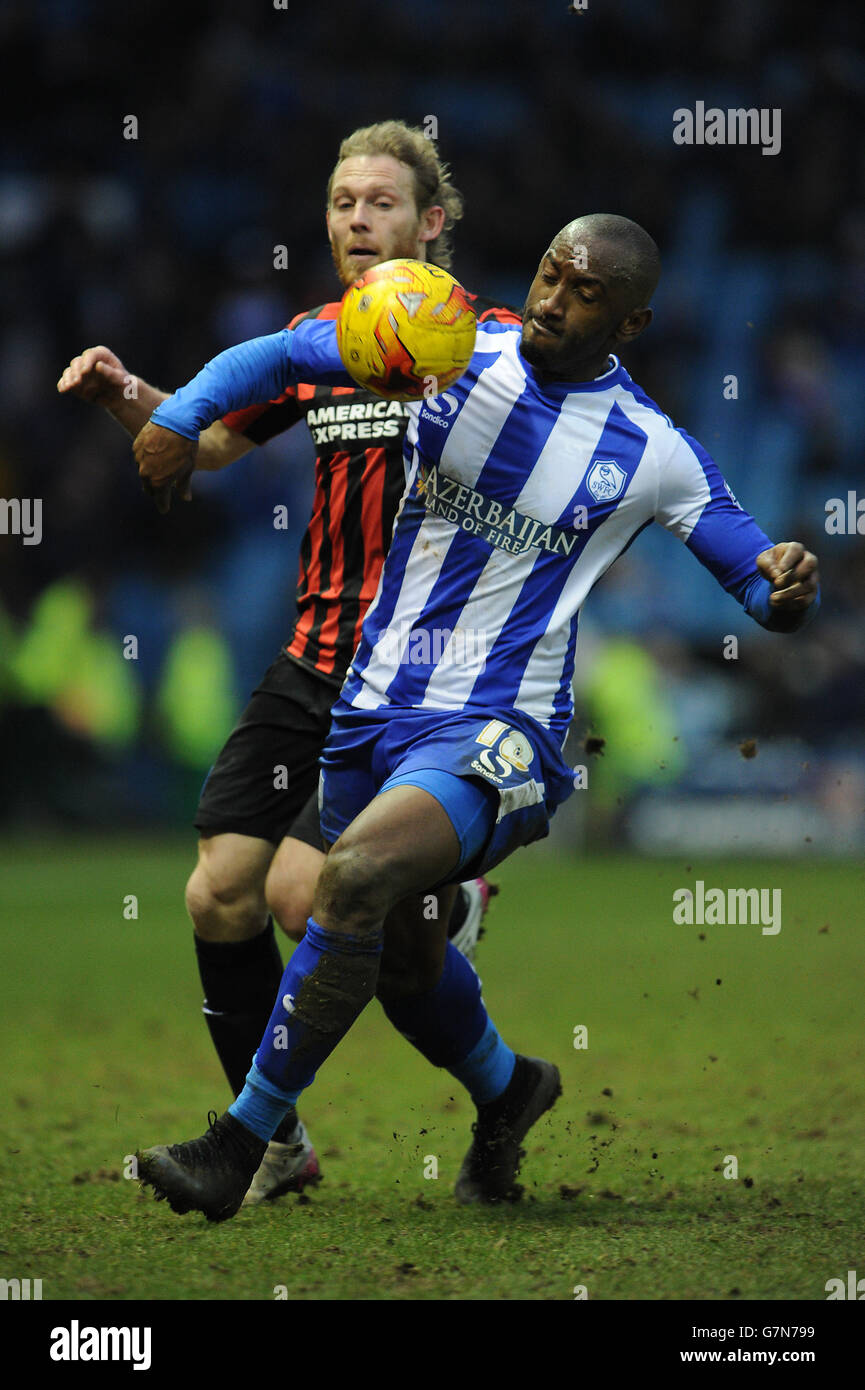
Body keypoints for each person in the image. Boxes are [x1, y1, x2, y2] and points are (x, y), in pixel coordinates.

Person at [132, 212, 820, 1221]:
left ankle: (241, 1142)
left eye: (583, 293)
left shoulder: (653, 451)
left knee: (350, 880)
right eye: (547, 274)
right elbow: (280, 356)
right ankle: (512, 1089)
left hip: (500, 733)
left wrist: (786, 584)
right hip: (370, 714)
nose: (551, 300)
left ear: (631, 322)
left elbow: (756, 582)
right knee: (402, 953)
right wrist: (180, 415)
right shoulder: (448, 346)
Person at [57, 121, 514, 1205]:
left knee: (313, 902)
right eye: (343, 201)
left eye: (382, 202)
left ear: (430, 222)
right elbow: (207, 441)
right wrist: (130, 392)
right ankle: (282, 1143)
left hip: (421, 684)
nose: (358, 219)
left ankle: (452, 939)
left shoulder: (492, 348)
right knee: (220, 893)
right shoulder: (316, 341)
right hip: (313, 662)